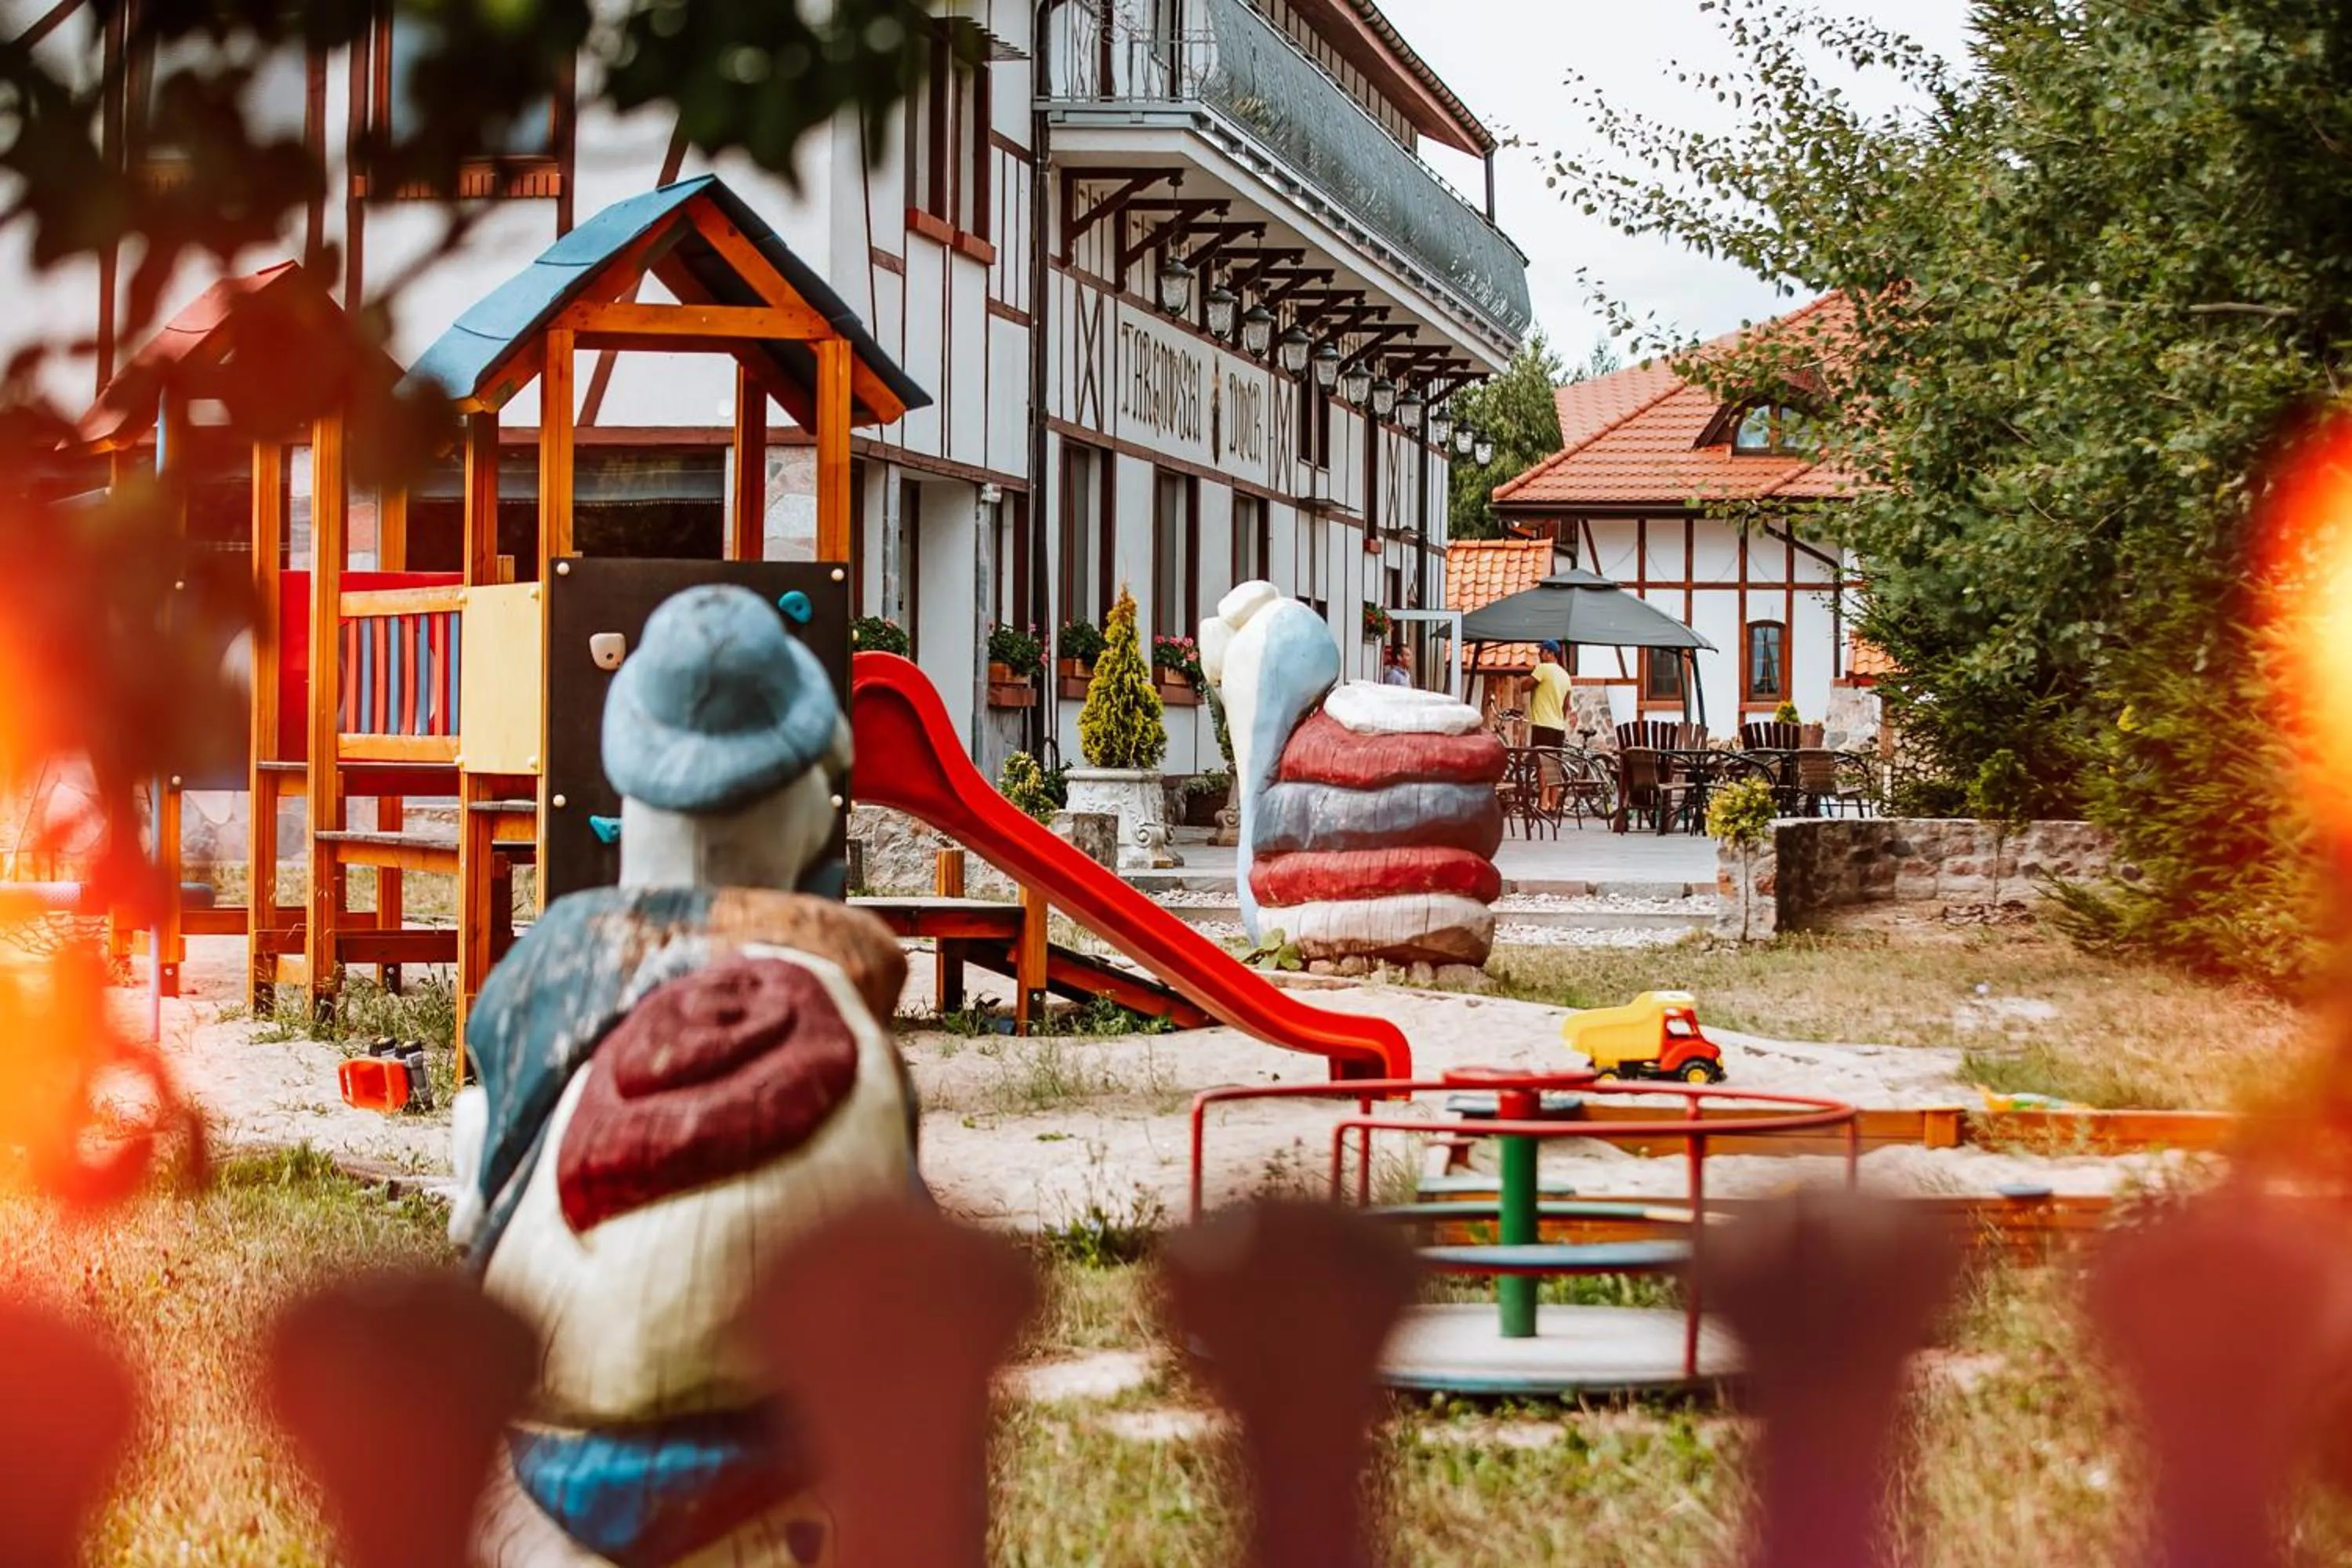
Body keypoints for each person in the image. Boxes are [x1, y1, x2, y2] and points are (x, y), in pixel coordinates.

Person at [1526, 641, 1572, 750]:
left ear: (1551, 654)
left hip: (1543, 726)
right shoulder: (1565, 675)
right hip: (1559, 729)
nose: (1539, 654)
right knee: (1554, 764)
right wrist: (1560, 720)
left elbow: (1525, 687)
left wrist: (1533, 675)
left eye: (1542, 651)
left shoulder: (1543, 668)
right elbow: (1566, 705)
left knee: (1541, 763)